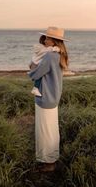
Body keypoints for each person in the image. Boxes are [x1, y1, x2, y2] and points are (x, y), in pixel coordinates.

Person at [28, 26, 69, 172]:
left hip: (45, 97)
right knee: (51, 130)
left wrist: (32, 66)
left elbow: (35, 74)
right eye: (45, 37)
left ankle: (48, 163)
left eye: (48, 38)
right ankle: (50, 159)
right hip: (53, 97)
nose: (45, 40)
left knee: (45, 131)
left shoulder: (50, 56)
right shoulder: (59, 55)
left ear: (55, 41)